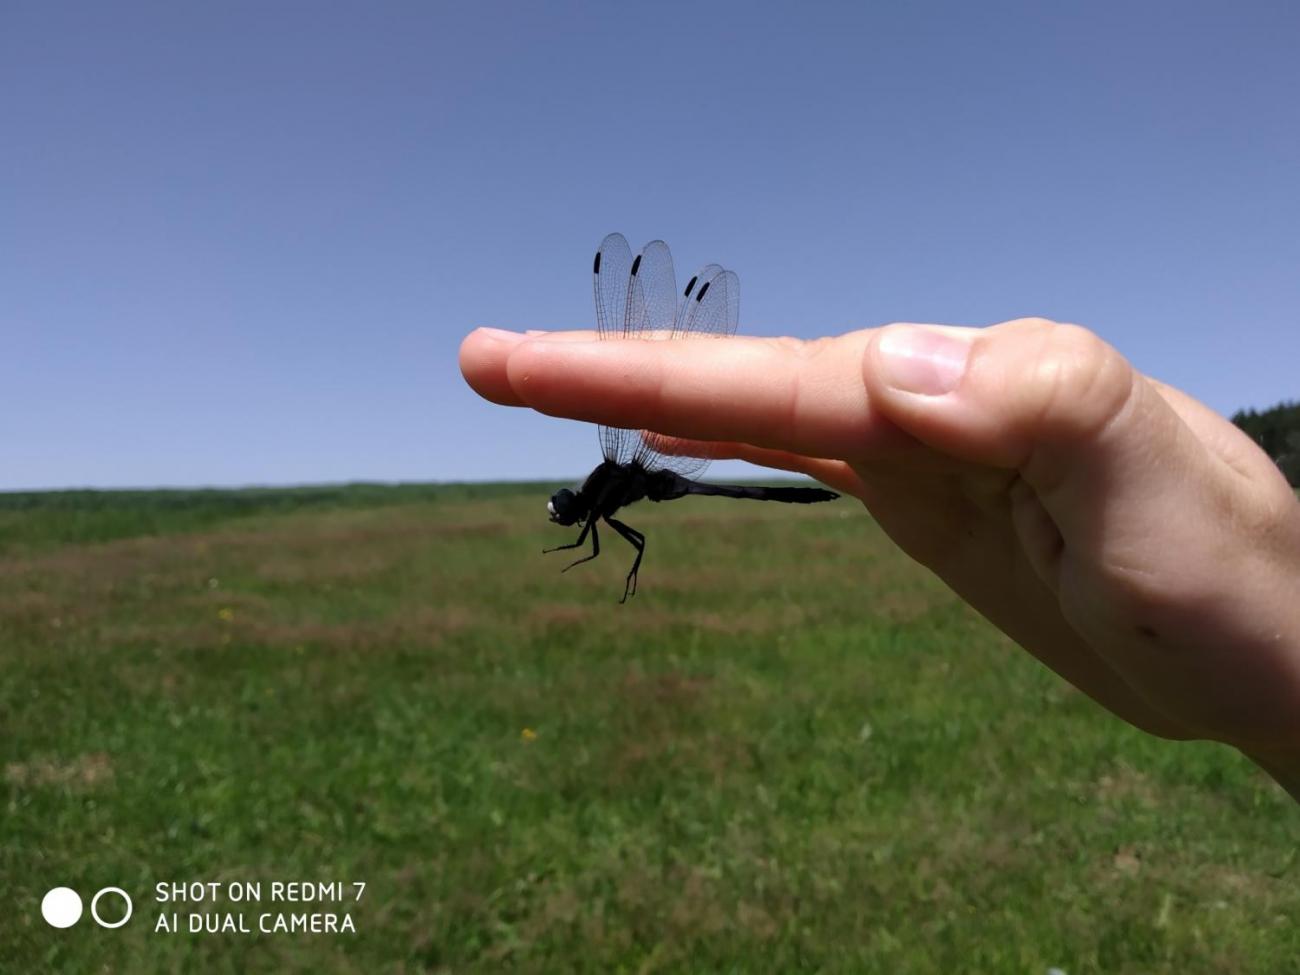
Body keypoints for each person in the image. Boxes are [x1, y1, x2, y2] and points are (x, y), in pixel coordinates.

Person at [459, 318, 1300, 800]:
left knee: (683, 522)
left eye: (575, 513)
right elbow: (603, 534)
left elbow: (611, 535)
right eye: (574, 514)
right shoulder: (603, 489)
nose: (576, 516)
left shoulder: (616, 477)